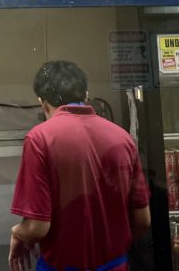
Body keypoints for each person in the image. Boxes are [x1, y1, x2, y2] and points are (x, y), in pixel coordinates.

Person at [9, 61, 151, 271]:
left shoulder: (40, 139)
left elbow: (37, 228)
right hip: (116, 265)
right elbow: (143, 220)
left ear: (42, 102)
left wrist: (17, 232)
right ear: (86, 95)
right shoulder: (122, 138)